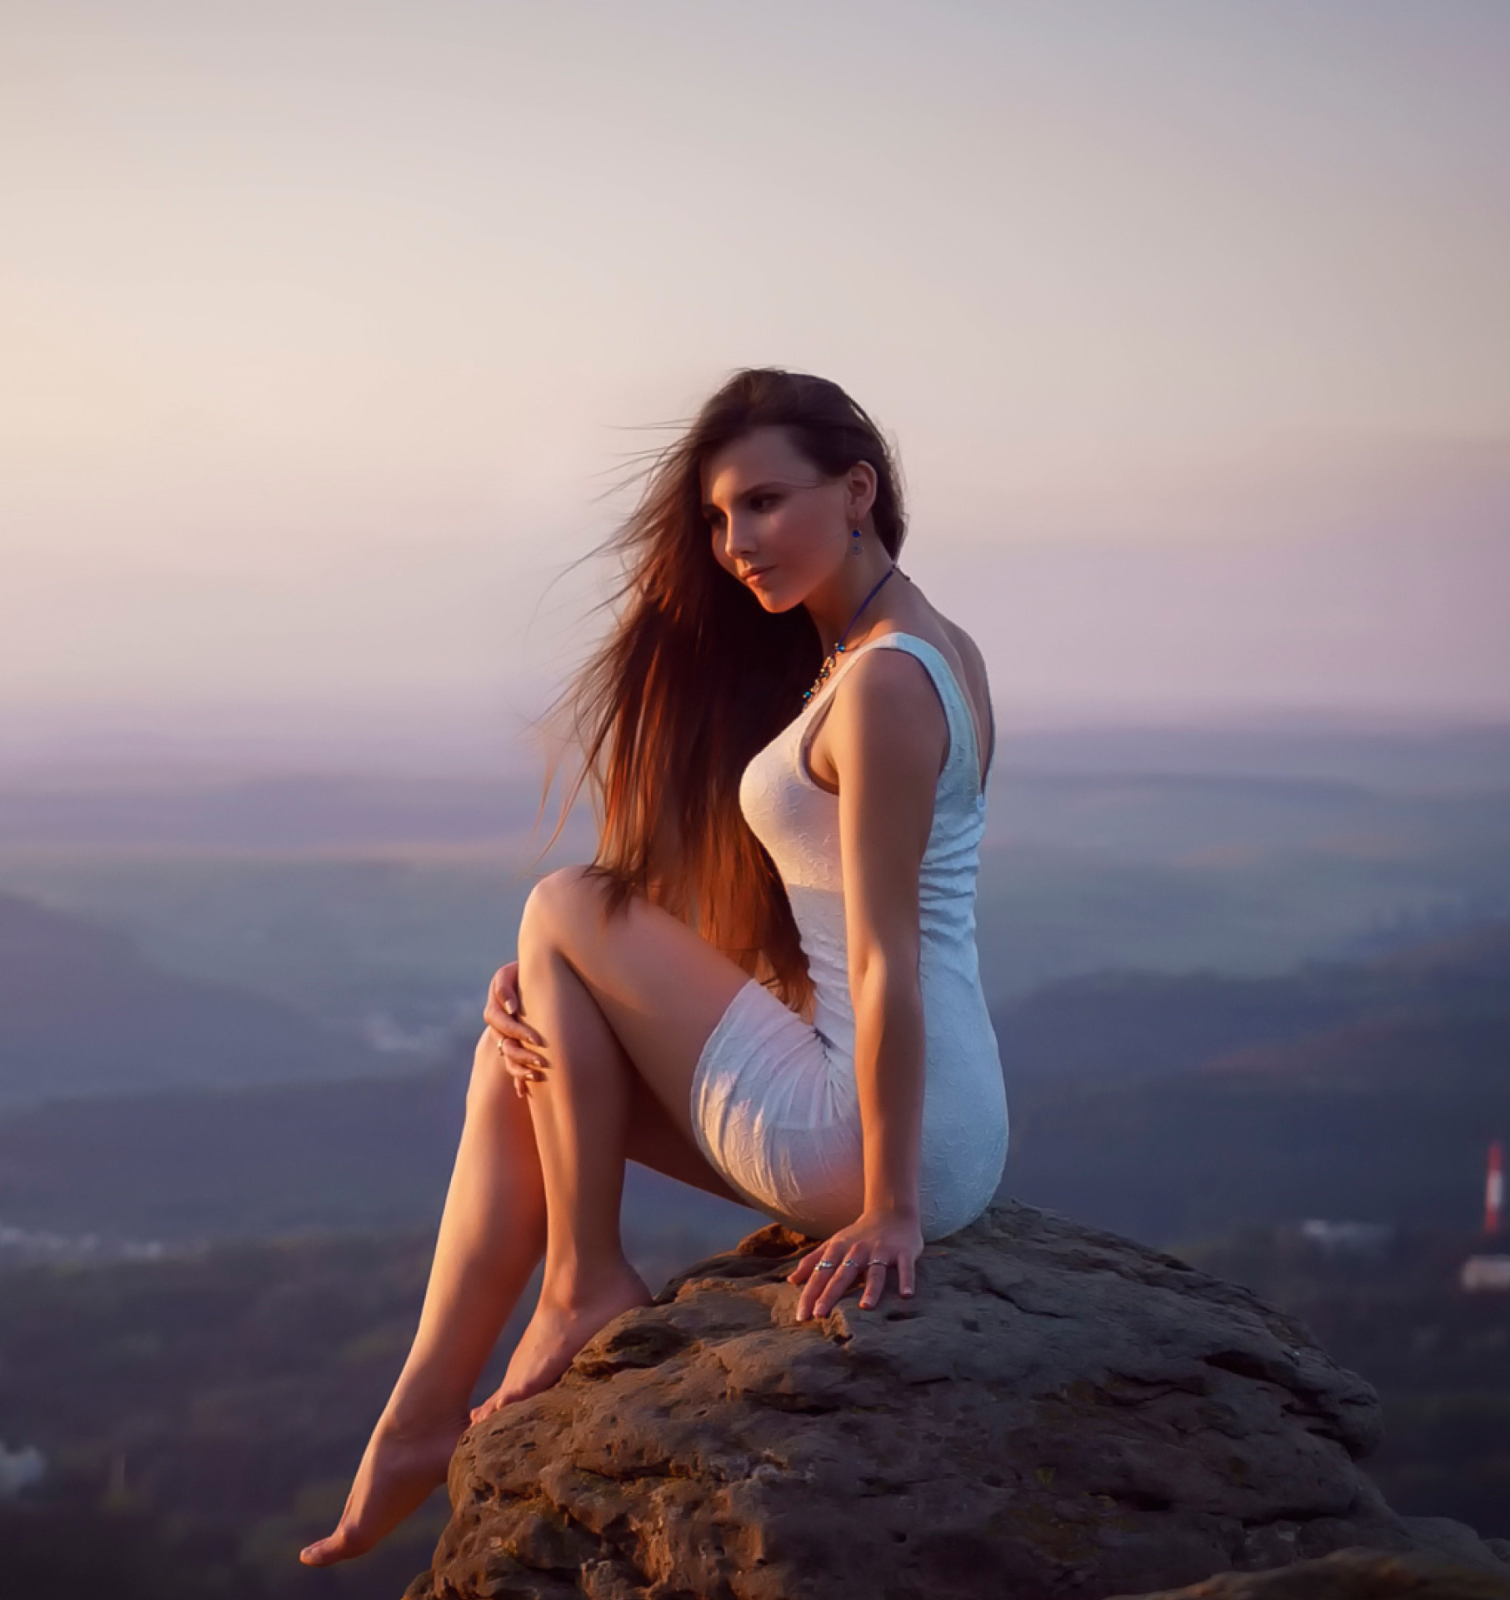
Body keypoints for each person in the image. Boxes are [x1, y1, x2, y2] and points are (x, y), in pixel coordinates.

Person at [301, 368, 1007, 1567]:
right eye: (720, 518)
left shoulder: (885, 679)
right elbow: (819, 918)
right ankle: (420, 1418)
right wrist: (560, 980)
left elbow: (884, 959)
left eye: (764, 503)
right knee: (520, 1040)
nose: (737, 544)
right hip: (932, 1119)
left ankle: (580, 1283)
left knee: (562, 900)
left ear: (858, 489)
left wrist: (890, 1209)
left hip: (880, 1131)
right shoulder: (912, 651)